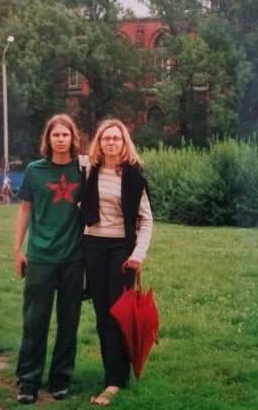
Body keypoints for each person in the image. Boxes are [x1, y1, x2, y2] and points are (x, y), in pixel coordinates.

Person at [80, 118, 153, 406]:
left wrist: (138, 254)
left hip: (121, 249)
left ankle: (114, 382)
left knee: (117, 315)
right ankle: (111, 373)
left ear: (124, 143)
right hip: (93, 245)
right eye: (106, 138)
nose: (111, 142)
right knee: (101, 315)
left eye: (116, 138)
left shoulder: (133, 176)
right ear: (99, 142)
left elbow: (146, 219)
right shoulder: (89, 170)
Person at [13, 113, 85, 405]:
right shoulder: (34, 170)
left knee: (69, 322)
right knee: (35, 321)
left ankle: (60, 378)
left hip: (73, 258)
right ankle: (28, 380)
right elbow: (25, 211)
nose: (60, 139)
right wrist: (17, 249)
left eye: (65, 134)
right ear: (48, 139)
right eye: (55, 134)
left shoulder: (83, 169)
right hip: (40, 258)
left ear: (72, 138)